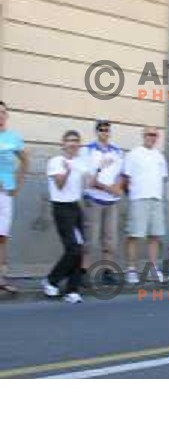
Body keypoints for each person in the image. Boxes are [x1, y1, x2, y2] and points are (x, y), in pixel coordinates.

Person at [42, 130, 90, 303]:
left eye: (76, 141)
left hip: (75, 207)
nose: (73, 143)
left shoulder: (80, 163)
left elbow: (87, 183)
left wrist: (100, 168)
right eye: (69, 140)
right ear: (63, 144)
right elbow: (60, 185)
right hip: (61, 208)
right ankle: (51, 280)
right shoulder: (56, 161)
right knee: (73, 249)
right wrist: (68, 171)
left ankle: (72, 290)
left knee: (80, 249)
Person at [122, 127, 168, 284]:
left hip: (156, 199)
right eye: (149, 134)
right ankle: (131, 270)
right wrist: (133, 195)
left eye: (155, 135)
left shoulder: (159, 156)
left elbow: (162, 178)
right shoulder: (133, 154)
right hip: (139, 198)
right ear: (143, 135)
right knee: (134, 235)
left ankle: (152, 270)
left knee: (155, 236)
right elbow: (126, 178)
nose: (152, 137)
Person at [82, 120, 123, 284]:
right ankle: (83, 272)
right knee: (90, 238)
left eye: (107, 130)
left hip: (111, 202)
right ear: (96, 131)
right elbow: (89, 180)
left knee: (110, 239)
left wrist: (118, 187)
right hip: (94, 199)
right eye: (101, 129)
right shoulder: (88, 151)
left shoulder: (116, 151)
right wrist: (108, 188)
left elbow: (121, 174)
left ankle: (108, 272)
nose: (104, 132)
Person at [0, 101, 28, 294]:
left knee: (2, 237)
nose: (0, 116)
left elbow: (25, 160)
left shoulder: (13, 138)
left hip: (6, 194)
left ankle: (1, 278)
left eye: (3, 112)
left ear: (7, 115)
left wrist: (18, 184)